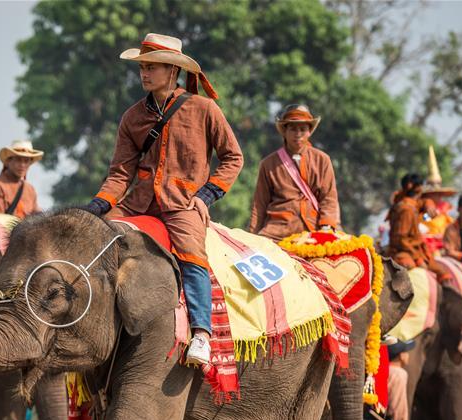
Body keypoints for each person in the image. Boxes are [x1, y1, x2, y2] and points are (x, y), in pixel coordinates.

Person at [84, 33, 244, 365]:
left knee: (190, 252)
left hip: (183, 202)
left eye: (152, 67)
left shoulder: (204, 109)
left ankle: (201, 333)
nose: (144, 73)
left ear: (172, 71)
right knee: (95, 239)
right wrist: (97, 206)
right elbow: (119, 173)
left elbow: (233, 157)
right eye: (142, 67)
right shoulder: (132, 117)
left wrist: (206, 196)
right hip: (139, 201)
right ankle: (92, 326)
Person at [249, 104, 339, 240]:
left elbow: (329, 198)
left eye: (303, 129)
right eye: (293, 129)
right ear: (284, 131)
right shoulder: (268, 164)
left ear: (309, 132)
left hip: (313, 230)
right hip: (276, 232)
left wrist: (326, 227)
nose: (298, 134)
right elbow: (259, 205)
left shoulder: (322, 160)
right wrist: (252, 238)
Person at [386, 173, 449, 281]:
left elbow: (423, 214)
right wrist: (418, 257)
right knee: (427, 273)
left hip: (422, 248)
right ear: (418, 188)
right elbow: (401, 239)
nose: (438, 198)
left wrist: (429, 205)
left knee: (443, 272)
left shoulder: (417, 206)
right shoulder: (406, 209)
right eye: (435, 195)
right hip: (408, 251)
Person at [0, 141, 44, 218]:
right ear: (8, 161)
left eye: (26, 161)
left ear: (30, 164)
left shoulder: (30, 189)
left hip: (28, 229)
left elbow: (36, 215)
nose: (22, 165)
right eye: (18, 160)